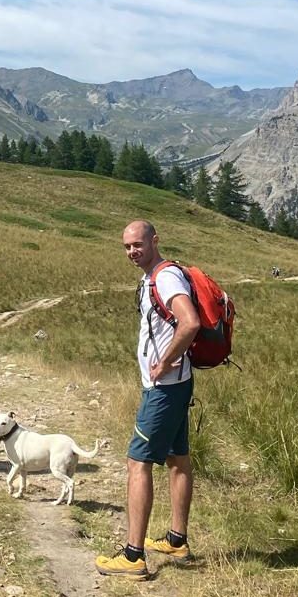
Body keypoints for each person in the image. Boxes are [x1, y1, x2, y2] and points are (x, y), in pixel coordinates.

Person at [96, 220, 198, 578]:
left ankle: (133, 555)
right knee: (177, 458)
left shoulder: (165, 277)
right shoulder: (155, 276)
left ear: (155, 241)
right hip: (177, 384)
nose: (132, 251)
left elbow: (190, 322)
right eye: (126, 246)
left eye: (138, 244)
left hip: (165, 388)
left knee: (137, 463)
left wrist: (165, 362)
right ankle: (176, 539)